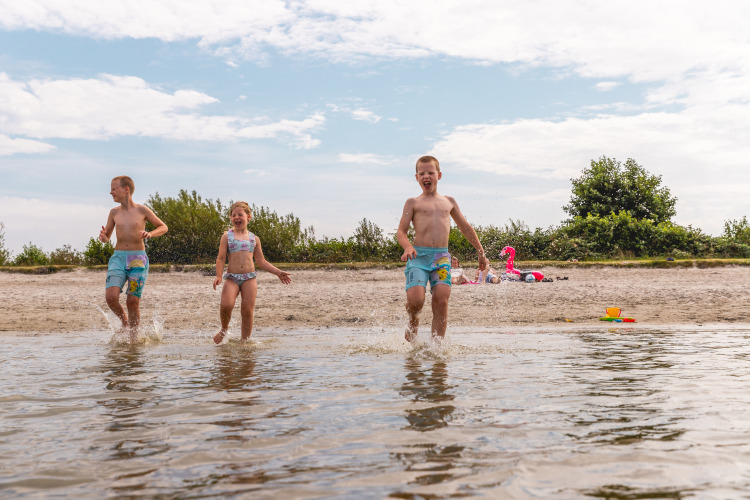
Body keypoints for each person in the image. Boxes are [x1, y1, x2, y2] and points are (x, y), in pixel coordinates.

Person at [397, 156, 489, 342]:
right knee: (416, 301)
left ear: (439, 175)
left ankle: (436, 347)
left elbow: (466, 228)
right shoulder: (412, 202)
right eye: (422, 173)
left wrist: (481, 253)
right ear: (416, 177)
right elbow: (401, 232)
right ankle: (413, 319)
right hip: (418, 258)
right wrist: (407, 247)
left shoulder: (449, 201)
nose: (426, 176)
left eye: (430, 172)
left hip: (440, 259)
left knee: (441, 300)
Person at [99, 176, 168, 340]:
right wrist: (103, 238)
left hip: (137, 260)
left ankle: (134, 338)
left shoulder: (142, 210)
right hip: (118, 258)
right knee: (111, 297)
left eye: (114, 189)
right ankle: (124, 322)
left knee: (132, 301)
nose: (111, 192)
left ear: (126, 189)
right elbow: (107, 237)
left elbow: (163, 227)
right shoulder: (114, 212)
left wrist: (150, 233)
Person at [213, 201, 291, 344]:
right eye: (233, 215)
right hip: (232, 278)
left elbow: (261, 261)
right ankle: (224, 329)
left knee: (247, 310)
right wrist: (219, 275)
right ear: (231, 218)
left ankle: (245, 341)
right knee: (226, 304)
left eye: (240, 215)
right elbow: (221, 258)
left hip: (249, 278)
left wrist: (278, 272)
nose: (236, 217)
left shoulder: (254, 239)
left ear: (248, 217)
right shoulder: (227, 237)